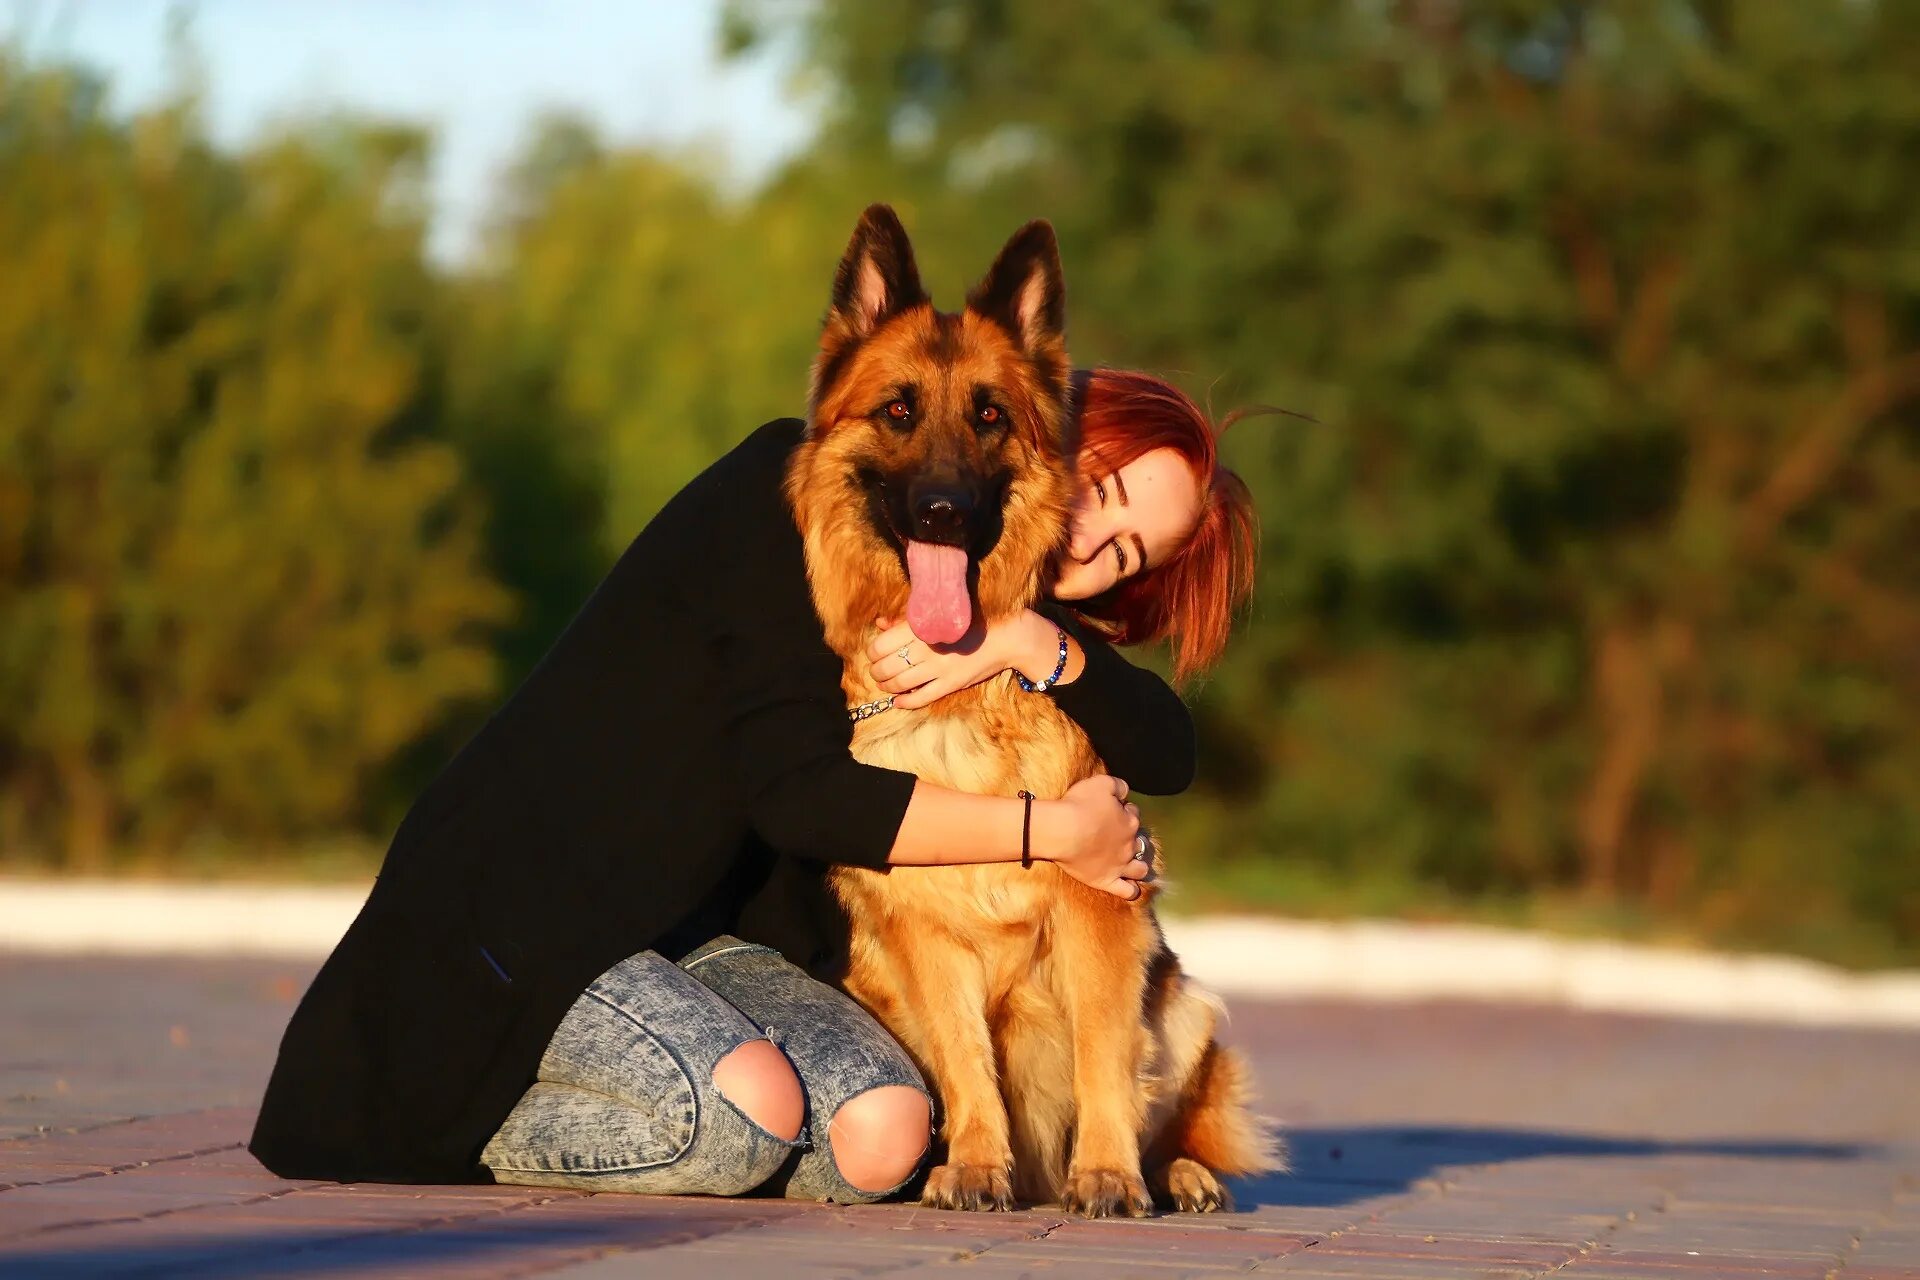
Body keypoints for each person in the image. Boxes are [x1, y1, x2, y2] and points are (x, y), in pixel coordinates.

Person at [248, 367, 1258, 1209]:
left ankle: (713, 1104)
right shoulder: (806, 491)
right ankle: (460, 1114)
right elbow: (802, 797)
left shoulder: (1007, 616)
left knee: (887, 1134)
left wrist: (1029, 637)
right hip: (548, 906)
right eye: (1098, 490)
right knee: (740, 1119)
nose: (1086, 541)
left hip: (702, 934)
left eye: (1120, 553)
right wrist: (1050, 828)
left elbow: (1165, 747)